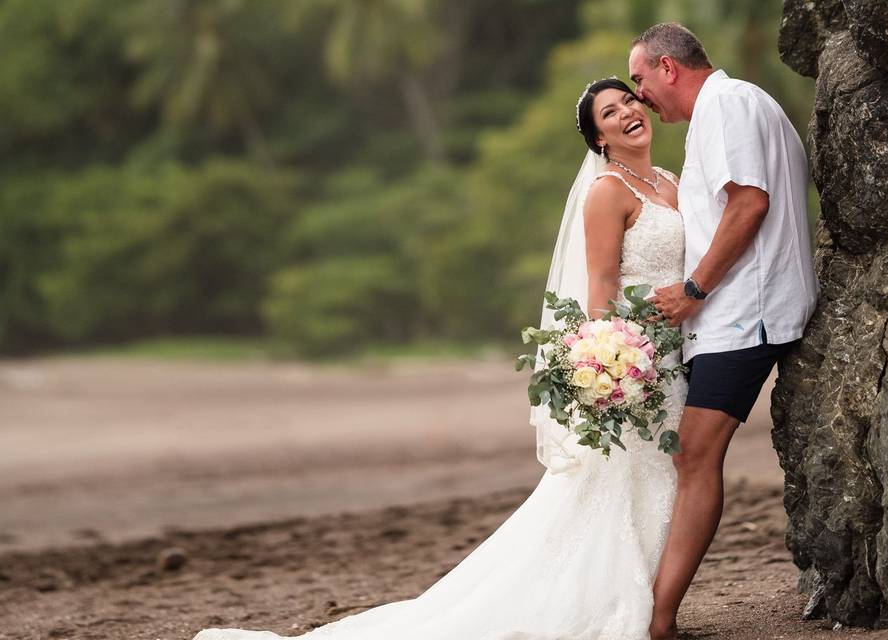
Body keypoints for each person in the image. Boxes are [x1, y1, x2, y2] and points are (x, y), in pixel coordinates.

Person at [192, 78, 688, 640]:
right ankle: (615, 608)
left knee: (654, 480)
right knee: (612, 484)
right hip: (638, 364)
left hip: (677, 359)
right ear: (598, 138)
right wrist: (615, 363)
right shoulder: (608, 193)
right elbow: (600, 288)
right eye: (609, 112)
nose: (626, 112)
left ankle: (649, 599)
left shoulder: (671, 183)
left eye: (628, 101)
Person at [627, 23, 818, 640]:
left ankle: (659, 619)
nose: (639, 95)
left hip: (745, 314)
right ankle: (658, 611)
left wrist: (693, 290)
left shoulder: (729, 104)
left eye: (639, 79)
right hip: (734, 314)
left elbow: (749, 204)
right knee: (690, 454)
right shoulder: (729, 105)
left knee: (695, 453)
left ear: (668, 67)